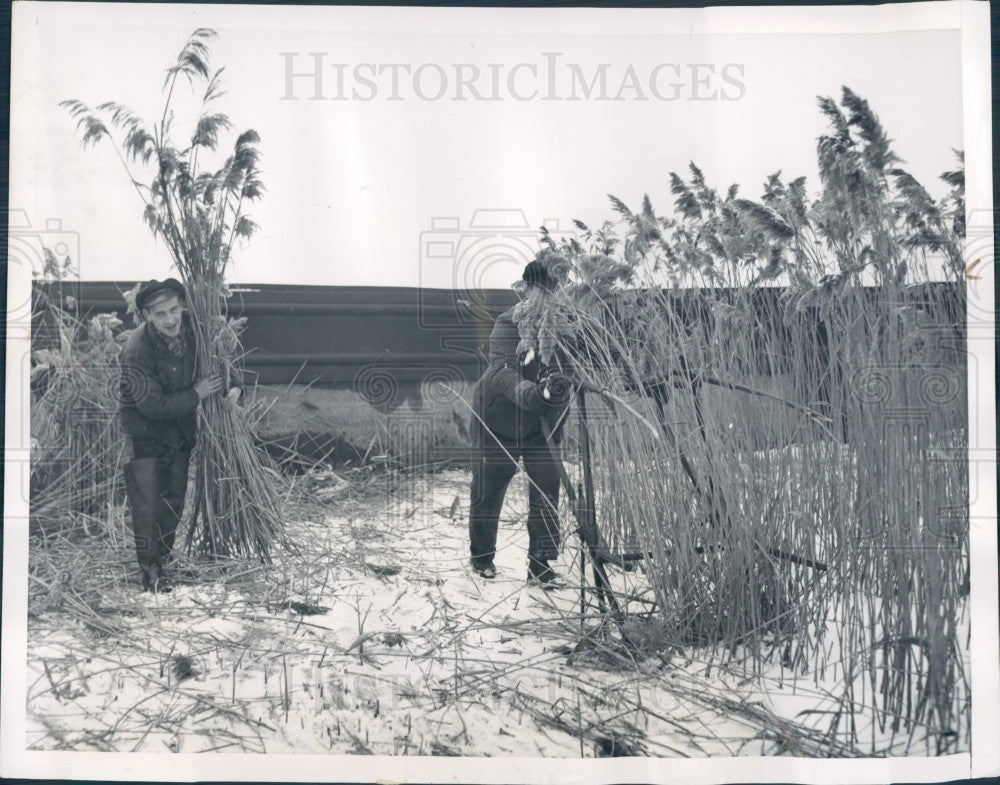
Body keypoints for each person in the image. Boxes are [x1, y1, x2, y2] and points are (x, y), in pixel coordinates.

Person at [119, 278, 240, 592]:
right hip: (146, 432)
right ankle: (150, 574)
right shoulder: (137, 349)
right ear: (146, 316)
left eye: (173, 310)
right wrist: (197, 394)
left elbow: (222, 364)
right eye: (160, 315)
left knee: (173, 499)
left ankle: (164, 559)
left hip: (181, 431)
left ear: (182, 306)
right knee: (147, 502)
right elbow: (152, 406)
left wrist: (235, 388)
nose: (170, 319)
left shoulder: (194, 331)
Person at [468, 255, 573, 588]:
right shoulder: (508, 322)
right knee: (489, 489)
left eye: (556, 287)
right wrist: (533, 393)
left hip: (540, 425)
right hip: (497, 420)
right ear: (528, 288)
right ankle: (482, 557)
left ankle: (539, 566)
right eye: (542, 287)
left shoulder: (567, 324)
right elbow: (500, 371)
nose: (550, 294)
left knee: (546, 487)